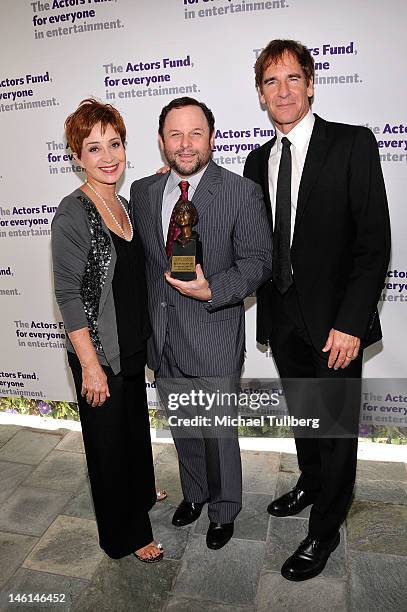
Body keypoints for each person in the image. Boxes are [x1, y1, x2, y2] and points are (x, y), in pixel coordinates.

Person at [244, 40, 390, 580]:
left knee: (334, 429)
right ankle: (310, 482)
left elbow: (373, 246)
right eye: (270, 82)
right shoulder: (256, 160)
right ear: (260, 94)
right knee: (306, 418)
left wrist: (352, 323)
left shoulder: (352, 145)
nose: (281, 91)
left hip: (335, 326)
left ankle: (324, 530)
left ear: (309, 83)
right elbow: (258, 246)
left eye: (291, 79)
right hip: (282, 321)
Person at [130, 97, 272, 550]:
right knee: (183, 424)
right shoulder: (143, 192)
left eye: (195, 133)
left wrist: (215, 290)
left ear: (212, 137)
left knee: (218, 432)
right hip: (163, 333)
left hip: (213, 331)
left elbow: (258, 262)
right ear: (161, 141)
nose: (185, 144)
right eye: (175, 134)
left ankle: (224, 509)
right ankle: (195, 494)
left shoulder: (239, 191)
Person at [51, 99, 163, 563]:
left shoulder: (124, 203)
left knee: (133, 432)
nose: (107, 156)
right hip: (99, 354)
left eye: (113, 144)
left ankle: (138, 493)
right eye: (93, 148)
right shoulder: (74, 211)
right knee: (108, 450)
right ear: (78, 156)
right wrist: (91, 367)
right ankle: (127, 534)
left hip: (131, 348)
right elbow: (69, 297)